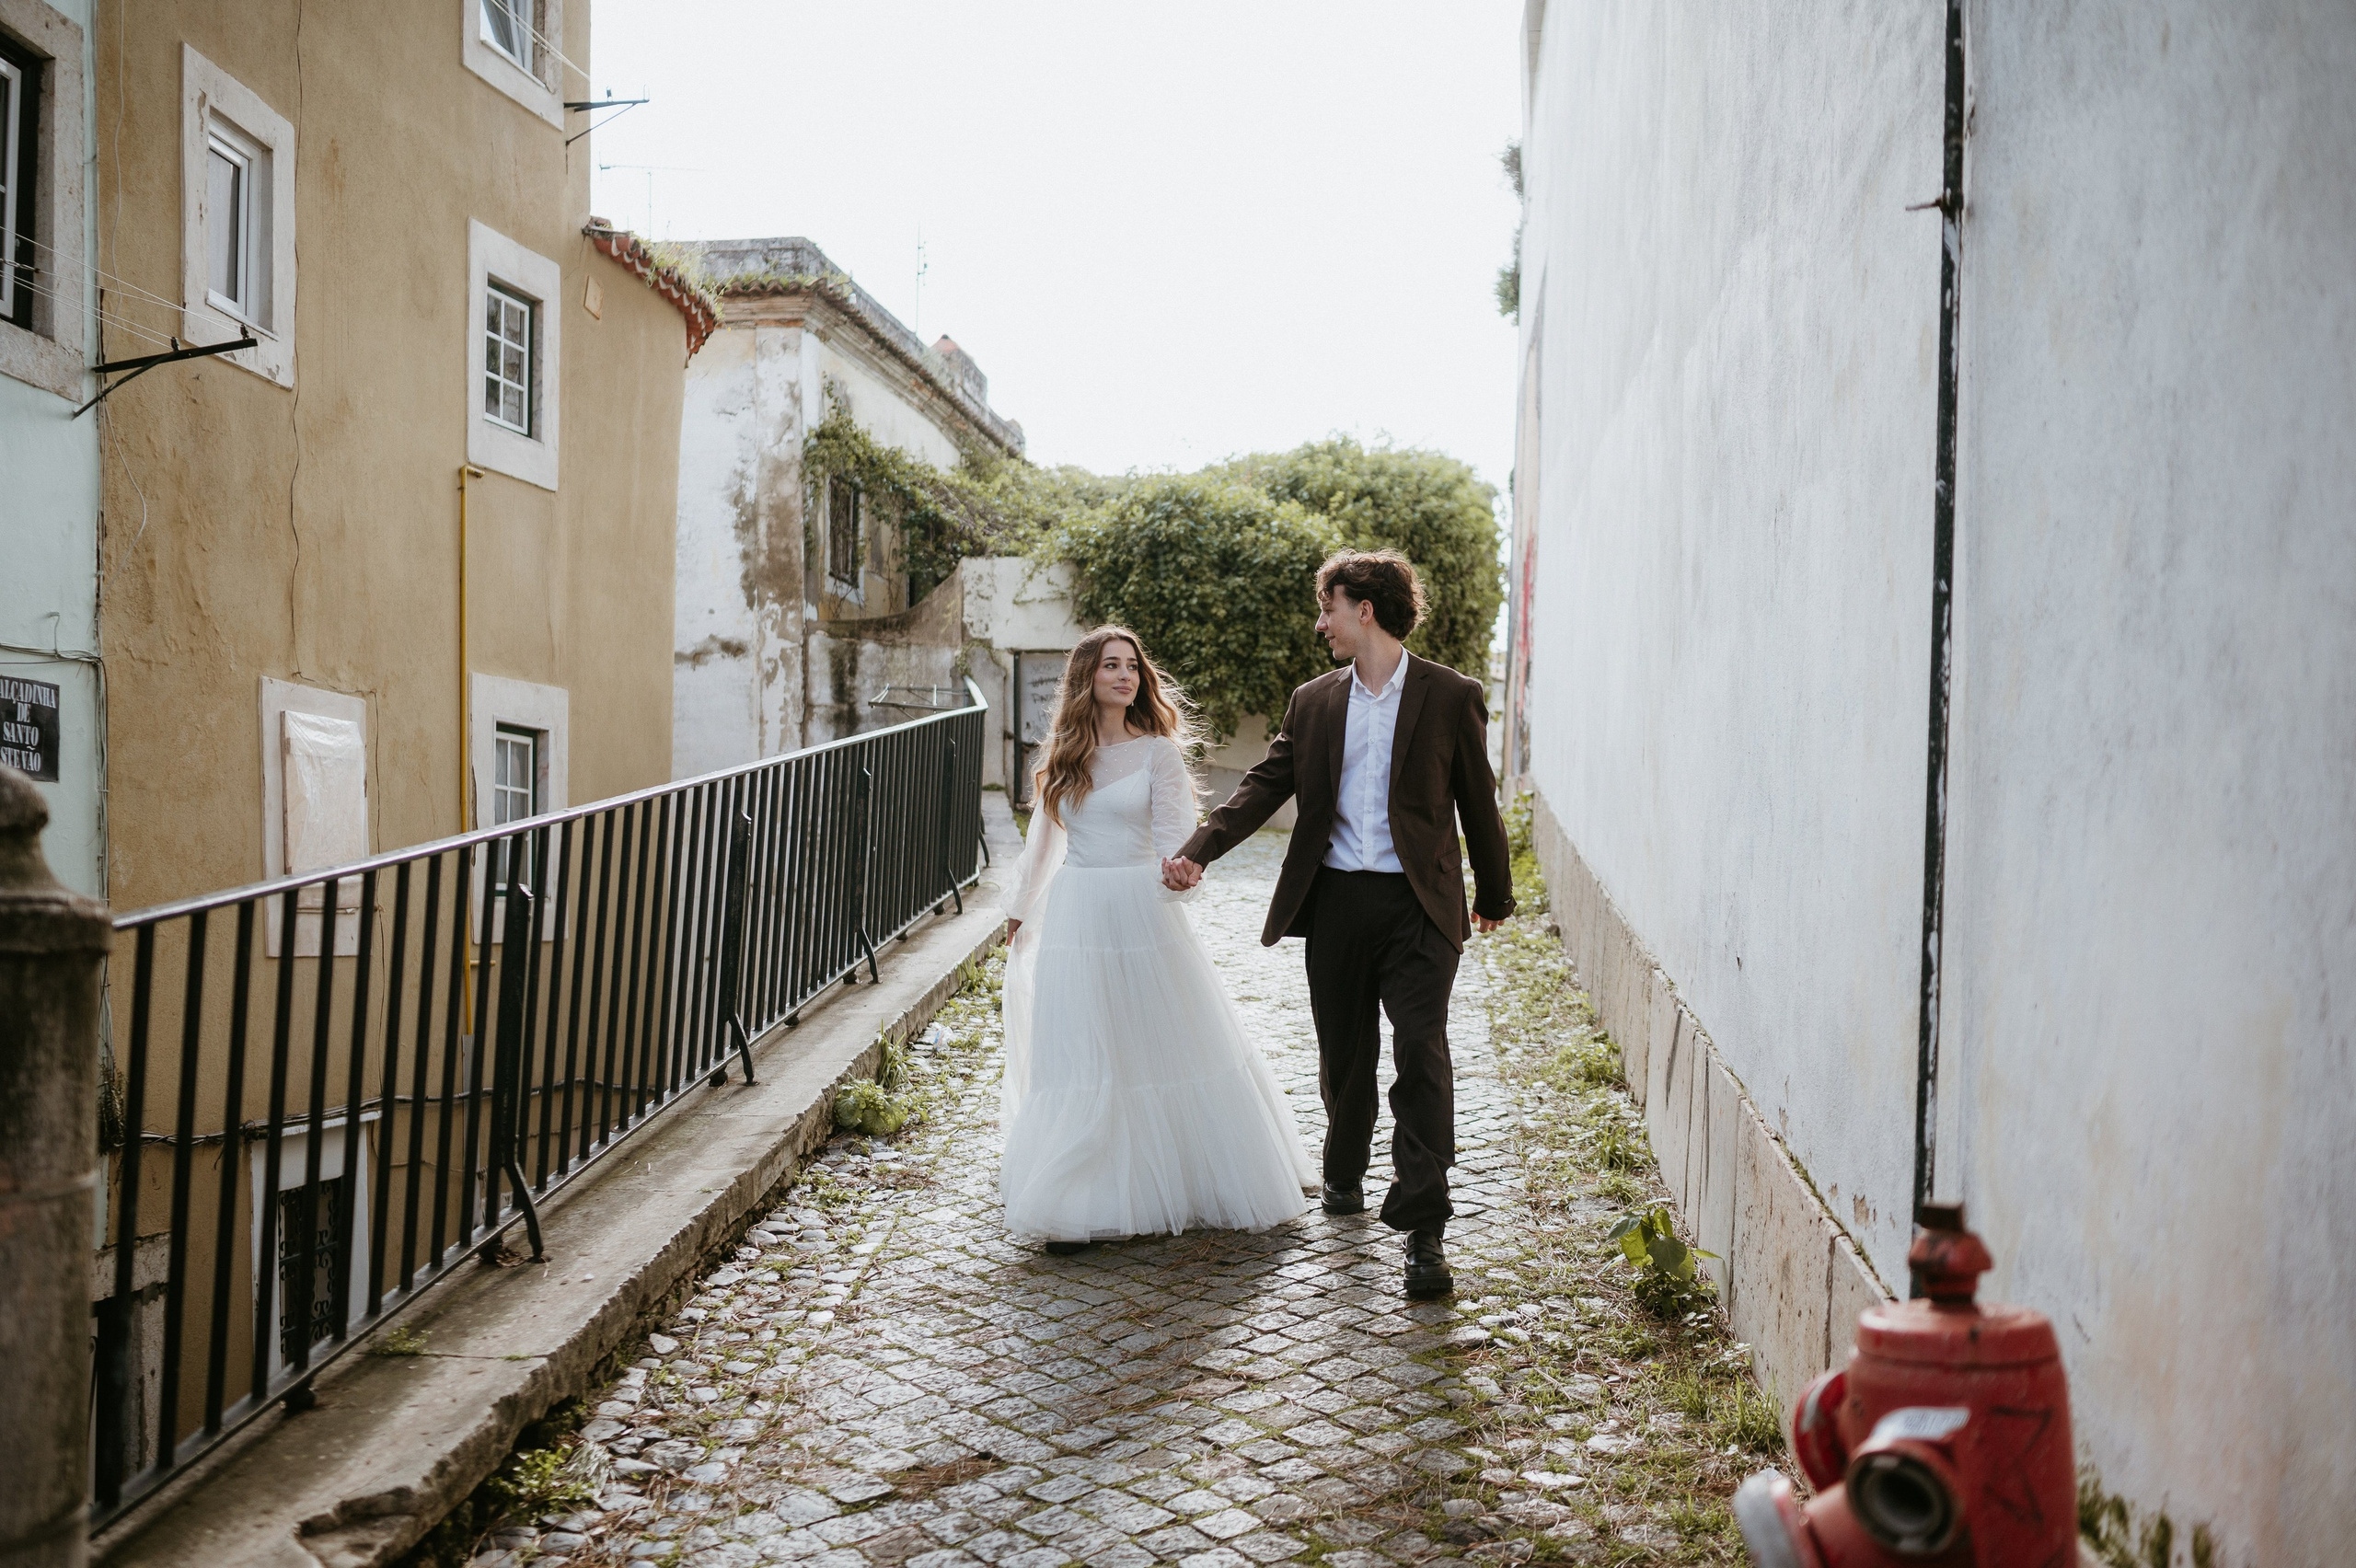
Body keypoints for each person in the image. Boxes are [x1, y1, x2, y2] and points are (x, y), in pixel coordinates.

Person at [1161, 549, 1515, 1299]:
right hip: (1337, 905)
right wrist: (1198, 850)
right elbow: (1264, 785)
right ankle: (1345, 1167)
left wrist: (1495, 892)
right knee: (1346, 1057)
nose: (1321, 624)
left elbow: (1476, 800)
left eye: (1329, 609)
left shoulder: (1451, 695)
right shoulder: (1314, 701)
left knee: (1422, 1053)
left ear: (1366, 609)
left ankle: (1424, 1230)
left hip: (1420, 908)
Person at [999, 626, 1316, 1252]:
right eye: (1111, 665)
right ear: (1086, 677)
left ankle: (1169, 1181)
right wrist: (1019, 910)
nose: (1125, 676)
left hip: (1140, 913)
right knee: (1081, 1052)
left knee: (1149, 1045)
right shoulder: (1062, 756)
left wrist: (1181, 875)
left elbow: (1177, 840)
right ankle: (1075, 1196)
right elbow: (1043, 843)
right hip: (1076, 913)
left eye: (1132, 667)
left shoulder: (1157, 754)